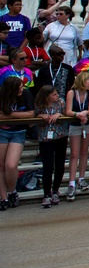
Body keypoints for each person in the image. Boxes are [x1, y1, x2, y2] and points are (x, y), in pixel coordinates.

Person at [0, 75, 34, 209]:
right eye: (20, 87)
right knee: (1, 166)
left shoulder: (26, 94)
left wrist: (8, 114)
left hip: (18, 133)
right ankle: (3, 198)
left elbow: (31, 113)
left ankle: (12, 190)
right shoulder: (2, 95)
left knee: (11, 165)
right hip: (2, 132)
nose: (22, 89)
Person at [35, 83, 69, 207]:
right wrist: (40, 116)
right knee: (48, 166)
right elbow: (32, 118)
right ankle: (46, 193)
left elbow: (67, 113)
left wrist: (59, 114)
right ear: (46, 96)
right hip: (45, 137)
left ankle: (55, 190)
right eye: (54, 94)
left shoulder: (61, 103)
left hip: (61, 136)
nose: (57, 96)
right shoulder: (39, 105)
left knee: (60, 164)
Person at [64, 72, 89, 200]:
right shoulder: (71, 93)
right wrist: (78, 114)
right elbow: (68, 111)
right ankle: (71, 182)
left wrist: (86, 112)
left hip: (87, 124)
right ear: (83, 81)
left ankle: (81, 178)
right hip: (75, 124)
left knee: (84, 152)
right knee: (74, 154)